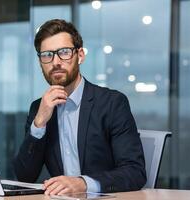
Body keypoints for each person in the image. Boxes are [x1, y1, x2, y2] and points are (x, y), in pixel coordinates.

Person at [14, 19, 146, 195]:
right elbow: (24, 176)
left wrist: (83, 184)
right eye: (47, 55)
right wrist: (39, 124)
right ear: (40, 63)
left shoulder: (112, 103)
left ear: (80, 55)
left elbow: (135, 172)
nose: (56, 62)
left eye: (64, 52)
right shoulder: (39, 108)